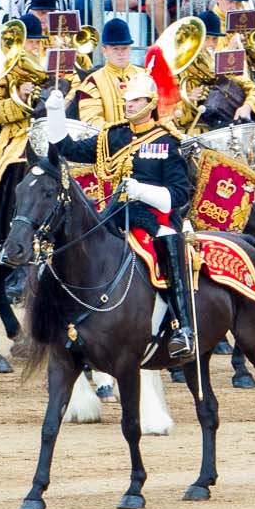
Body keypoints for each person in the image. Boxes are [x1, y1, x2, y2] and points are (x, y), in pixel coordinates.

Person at [51, 69, 196, 362]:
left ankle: (184, 328)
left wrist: (141, 190)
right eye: (127, 100)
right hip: (117, 213)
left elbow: (180, 194)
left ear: (151, 102)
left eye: (135, 100)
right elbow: (68, 149)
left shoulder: (167, 141)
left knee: (168, 245)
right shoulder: (114, 136)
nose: (129, 105)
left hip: (155, 217)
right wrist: (55, 113)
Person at [0, 12, 47, 202]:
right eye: (31, 42)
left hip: (48, 129)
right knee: (18, 163)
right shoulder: (3, 70)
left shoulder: (49, 64)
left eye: (38, 42)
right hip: (16, 135)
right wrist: (19, 98)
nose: (35, 47)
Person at [75, 18, 138, 127]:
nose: (120, 53)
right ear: (104, 51)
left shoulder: (144, 76)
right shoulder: (92, 82)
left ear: (130, 49)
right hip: (108, 142)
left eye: (124, 48)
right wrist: (120, 135)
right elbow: (91, 122)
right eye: (115, 49)